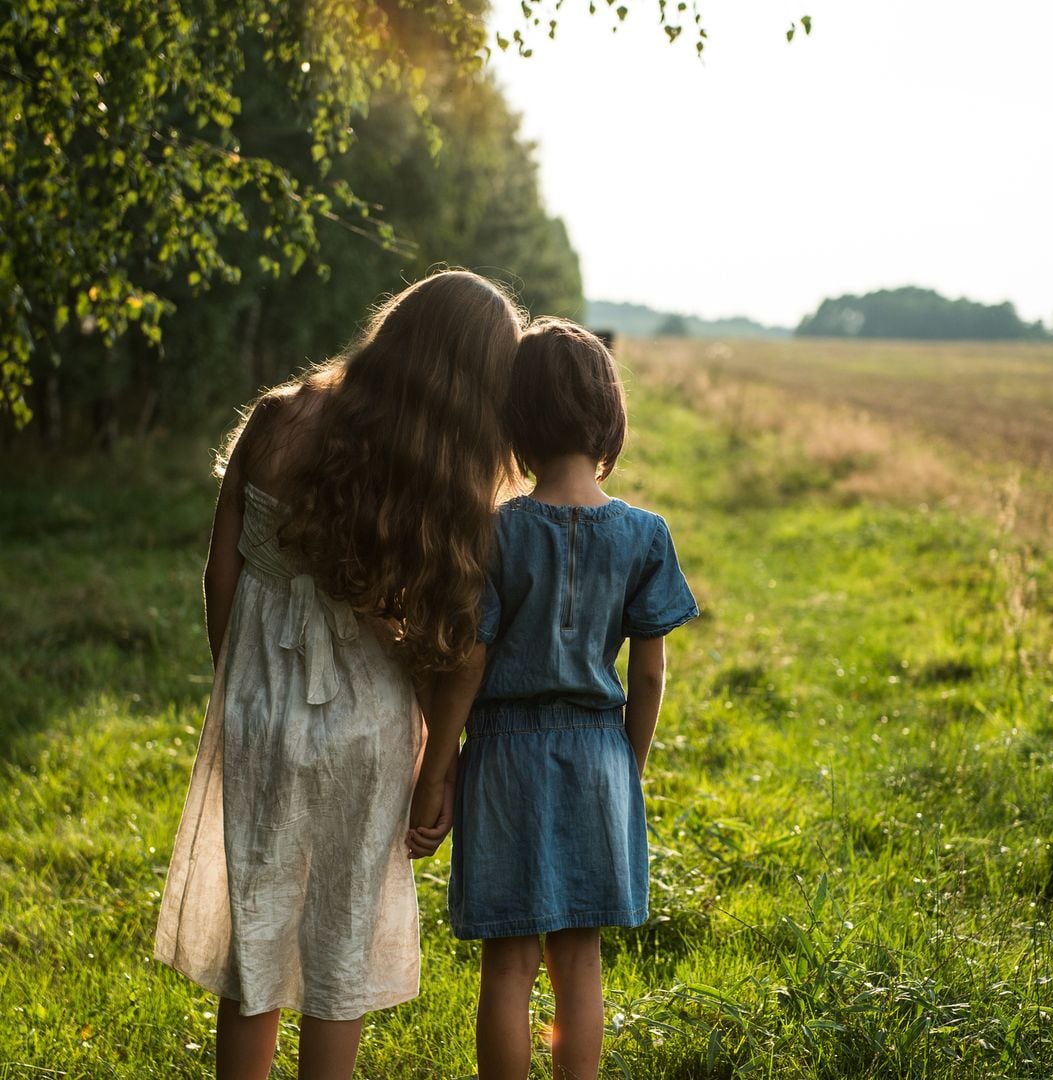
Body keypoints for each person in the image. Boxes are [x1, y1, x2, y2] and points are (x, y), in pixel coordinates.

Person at [154, 269, 524, 1080]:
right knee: (341, 936)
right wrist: (439, 770)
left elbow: (220, 569)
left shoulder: (277, 416)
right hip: (368, 721)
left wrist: (238, 682)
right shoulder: (435, 472)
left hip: (258, 701)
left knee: (255, 925)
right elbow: (456, 650)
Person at [408, 318, 699, 1080]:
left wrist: (436, 772)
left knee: (507, 966)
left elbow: (468, 660)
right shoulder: (645, 534)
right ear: (609, 417)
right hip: (599, 756)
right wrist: (627, 763)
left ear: (517, 422)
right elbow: (649, 674)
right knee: (581, 963)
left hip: (503, 758)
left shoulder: (495, 532)